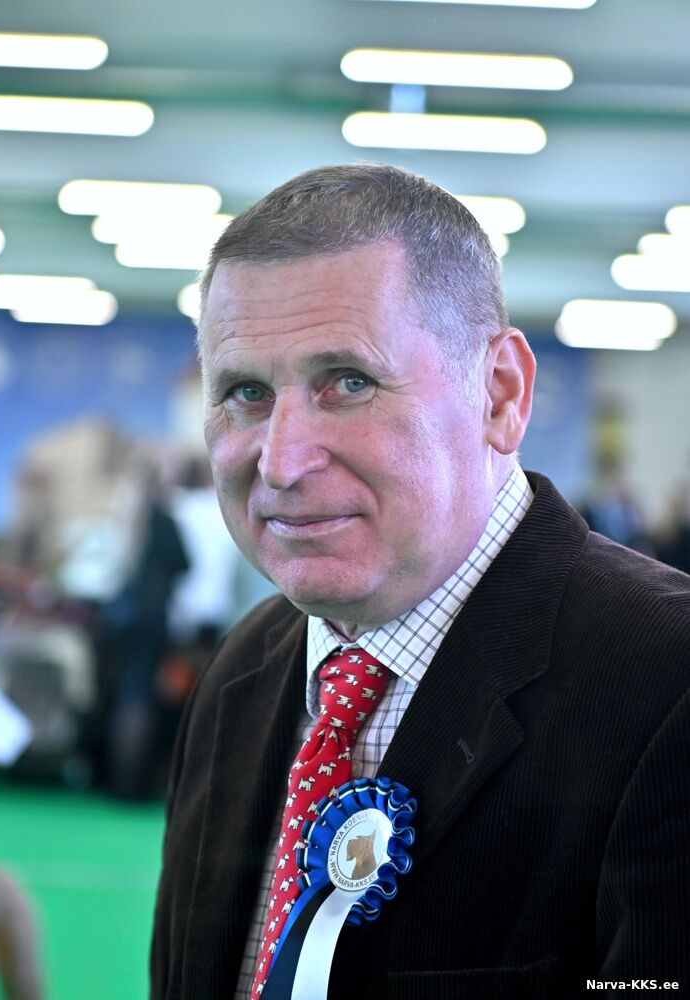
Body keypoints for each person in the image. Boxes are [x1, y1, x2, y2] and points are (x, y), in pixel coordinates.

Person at [150, 164, 690, 999]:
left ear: (499, 394)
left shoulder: (666, 683)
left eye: (350, 382)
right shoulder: (243, 671)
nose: (282, 462)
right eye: (246, 392)